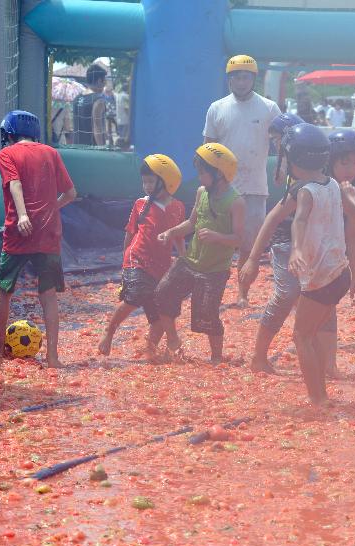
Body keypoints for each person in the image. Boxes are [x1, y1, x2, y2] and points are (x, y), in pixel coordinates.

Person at [240, 126, 355, 377]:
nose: (350, 169)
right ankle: (259, 356)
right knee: (288, 294)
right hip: (289, 244)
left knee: (324, 296)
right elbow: (275, 219)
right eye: (344, 163)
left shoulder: (347, 188)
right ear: (328, 161)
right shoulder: (306, 186)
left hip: (321, 251)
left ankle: (329, 365)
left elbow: (353, 232)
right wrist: (253, 259)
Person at [0, 110, 77, 367]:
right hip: (49, 233)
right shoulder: (51, 153)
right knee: (48, 294)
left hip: (19, 232)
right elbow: (71, 193)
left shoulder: (6, 154)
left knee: (4, 290)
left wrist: (22, 216)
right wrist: (50, 210)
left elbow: (14, 184)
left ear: (9, 134)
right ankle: (53, 356)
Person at [283, 124, 355, 405]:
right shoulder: (334, 185)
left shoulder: (306, 191)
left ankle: (317, 397)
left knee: (301, 336)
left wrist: (297, 249)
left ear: (295, 161)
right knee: (310, 333)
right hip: (340, 274)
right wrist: (350, 198)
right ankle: (320, 393)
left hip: (322, 279)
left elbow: (300, 220)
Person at [154, 144, 245, 362]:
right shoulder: (201, 192)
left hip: (214, 270)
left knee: (207, 315)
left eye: (203, 172)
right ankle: (173, 339)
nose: (200, 177)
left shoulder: (236, 202)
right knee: (161, 294)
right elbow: (191, 222)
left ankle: (216, 357)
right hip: (190, 261)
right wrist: (171, 231)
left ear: (219, 173)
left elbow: (240, 240)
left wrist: (217, 237)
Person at [204, 55, 281, 307]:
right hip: (223, 188)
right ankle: (211, 293)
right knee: (217, 242)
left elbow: (282, 143)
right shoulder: (216, 108)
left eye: (246, 76)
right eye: (236, 76)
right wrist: (208, 181)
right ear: (229, 79)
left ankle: (242, 293)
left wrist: (283, 170)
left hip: (255, 188)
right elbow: (208, 148)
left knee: (249, 246)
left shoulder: (269, 108)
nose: (241, 80)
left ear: (253, 79)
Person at [97, 154, 186, 359]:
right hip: (137, 259)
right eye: (144, 181)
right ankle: (108, 332)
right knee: (134, 297)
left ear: (166, 182)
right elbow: (130, 232)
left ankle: (151, 350)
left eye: (151, 181)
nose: (146, 186)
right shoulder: (140, 204)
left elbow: (179, 236)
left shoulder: (178, 207)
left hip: (161, 265)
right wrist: (125, 260)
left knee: (160, 314)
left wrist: (183, 259)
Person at [72, 64, 107, 146]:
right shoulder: (98, 100)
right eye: (104, 80)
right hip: (92, 150)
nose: (105, 84)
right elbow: (97, 126)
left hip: (77, 147)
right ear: (99, 81)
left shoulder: (77, 98)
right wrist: (102, 149)